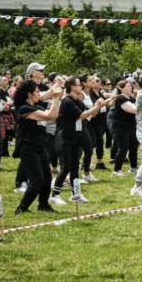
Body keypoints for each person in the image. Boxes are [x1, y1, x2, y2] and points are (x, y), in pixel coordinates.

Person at [51, 76, 107, 204]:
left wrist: (98, 106)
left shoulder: (77, 101)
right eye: (78, 84)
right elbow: (82, 115)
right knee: (65, 168)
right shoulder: (67, 101)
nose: (81, 86)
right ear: (72, 87)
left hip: (75, 138)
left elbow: (91, 114)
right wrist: (97, 106)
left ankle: (76, 195)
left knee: (75, 168)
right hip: (64, 138)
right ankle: (54, 195)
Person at [13, 80, 63, 214]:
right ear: (29, 94)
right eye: (36, 91)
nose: (39, 93)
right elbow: (50, 116)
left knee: (47, 177)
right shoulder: (24, 109)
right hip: (27, 148)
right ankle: (22, 208)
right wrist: (56, 97)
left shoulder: (37, 107)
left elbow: (53, 115)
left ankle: (43, 205)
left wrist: (56, 91)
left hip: (40, 147)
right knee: (37, 179)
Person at [110, 79, 140, 177]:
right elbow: (132, 109)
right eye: (127, 86)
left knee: (133, 147)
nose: (130, 88)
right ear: (121, 88)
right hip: (120, 127)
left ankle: (133, 168)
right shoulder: (121, 98)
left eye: (130, 86)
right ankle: (116, 170)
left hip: (131, 126)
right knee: (123, 148)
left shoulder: (131, 98)